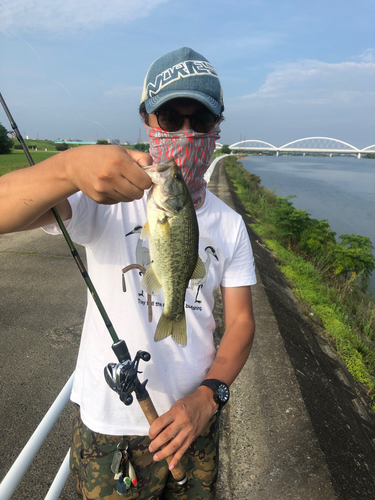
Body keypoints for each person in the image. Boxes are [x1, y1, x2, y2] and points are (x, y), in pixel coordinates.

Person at [0, 47, 256, 499]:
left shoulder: (230, 224)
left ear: (217, 130)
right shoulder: (105, 199)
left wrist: (208, 397)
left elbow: (240, 322)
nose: (186, 132)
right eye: (171, 119)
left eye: (200, 121)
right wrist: (68, 168)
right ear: (147, 122)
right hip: (110, 429)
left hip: (193, 423)